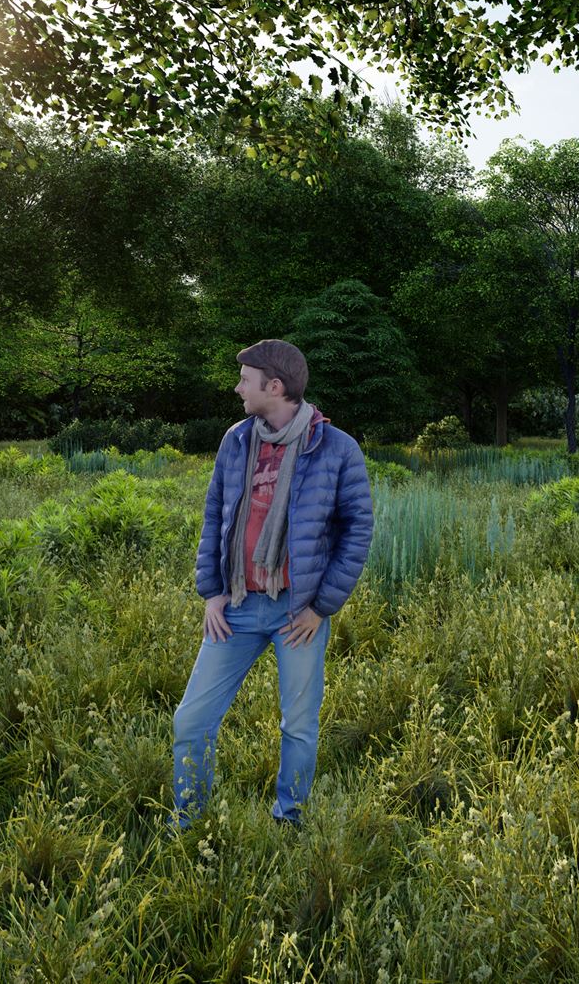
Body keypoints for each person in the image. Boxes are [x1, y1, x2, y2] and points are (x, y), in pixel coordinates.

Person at [171, 338, 374, 828]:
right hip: (237, 605)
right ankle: (188, 822)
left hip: (295, 612)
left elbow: (357, 530)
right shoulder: (237, 439)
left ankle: (290, 818)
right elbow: (215, 513)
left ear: (275, 386)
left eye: (245, 379)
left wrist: (321, 607)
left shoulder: (337, 448)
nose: (238, 386)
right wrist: (212, 592)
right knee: (191, 720)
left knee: (299, 726)